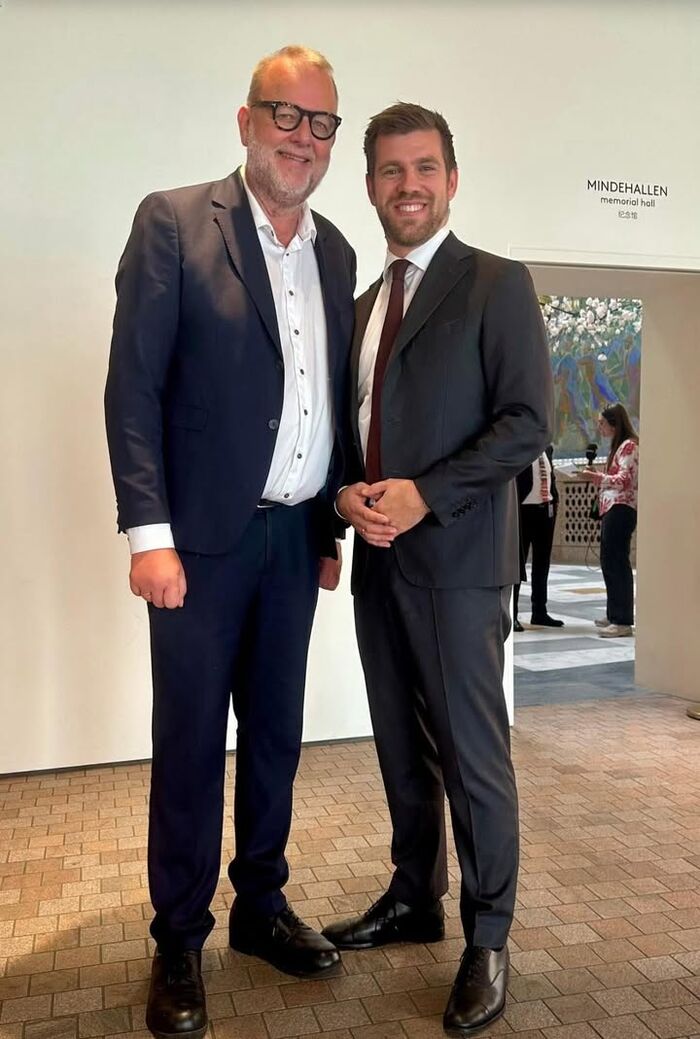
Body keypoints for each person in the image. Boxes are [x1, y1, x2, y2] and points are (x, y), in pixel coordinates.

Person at [104, 45, 356, 1039]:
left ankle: (261, 903)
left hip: (294, 538)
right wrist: (148, 533)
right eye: (285, 115)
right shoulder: (173, 222)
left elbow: (329, 398)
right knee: (190, 740)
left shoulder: (336, 252)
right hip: (198, 545)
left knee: (278, 734)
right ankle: (178, 935)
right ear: (247, 122)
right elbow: (134, 387)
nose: (303, 138)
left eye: (321, 123)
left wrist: (327, 526)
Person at [323, 103, 553, 1037]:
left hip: (458, 564)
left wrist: (427, 493)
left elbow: (526, 422)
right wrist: (345, 495)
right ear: (370, 185)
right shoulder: (359, 308)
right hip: (379, 563)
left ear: (451, 179)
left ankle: (488, 936)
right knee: (399, 744)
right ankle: (415, 894)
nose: (408, 184)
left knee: (472, 756)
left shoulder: (496, 282)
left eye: (424, 167)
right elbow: (347, 432)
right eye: (391, 170)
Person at [582, 402, 639, 637]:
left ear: (614, 424)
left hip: (621, 508)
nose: (599, 427)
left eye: (602, 423)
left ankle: (622, 620)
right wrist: (600, 476)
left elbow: (625, 479)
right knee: (608, 562)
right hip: (612, 508)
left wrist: (598, 478)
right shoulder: (619, 447)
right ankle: (614, 612)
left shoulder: (629, 446)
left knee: (617, 563)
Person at [513, 446, 564, 631]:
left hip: (546, 510)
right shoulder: (518, 448)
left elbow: (551, 477)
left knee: (542, 564)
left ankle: (540, 612)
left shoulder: (547, 449)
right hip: (523, 510)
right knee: (517, 565)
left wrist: (554, 499)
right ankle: (512, 614)